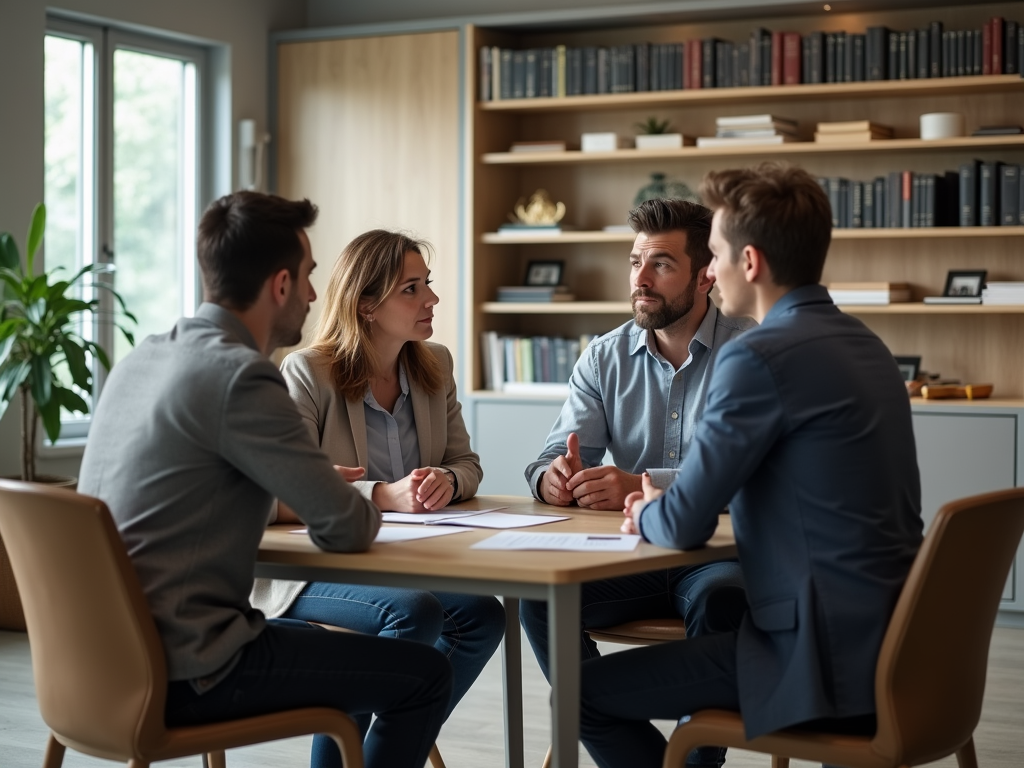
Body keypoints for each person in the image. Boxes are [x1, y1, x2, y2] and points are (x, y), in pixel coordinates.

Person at [78, 192, 452, 768]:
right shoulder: (242, 377)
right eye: (306, 277)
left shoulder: (142, 359)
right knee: (425, 675)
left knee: (374, 650)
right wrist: (328, 489)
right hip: (193, 668)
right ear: (279, 285)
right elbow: (347, 528)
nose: (311, 295)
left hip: (93, 670)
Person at [578, 163, 924, 768]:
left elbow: (683, 525)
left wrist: (649, 505)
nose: (709, 271)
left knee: (578, 697)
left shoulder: (758, 358)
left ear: (751, 263)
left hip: (813, 658)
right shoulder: (866, 344)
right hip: (899, 647)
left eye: (713, 255)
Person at [519, 200, 753, 766]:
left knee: (725, 599)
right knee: (542, 598)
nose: (640, 280)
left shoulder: (749, 353)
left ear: (706, 276)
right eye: (634, 262)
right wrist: (553, 478)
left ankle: (696, 758)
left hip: (714, 553)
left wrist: (642, 484)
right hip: (628, 555)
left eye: (661, 265)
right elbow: (554, 453)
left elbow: (753, 475)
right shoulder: (603, 356)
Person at [250, 229, 505, 736]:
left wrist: (447, 482)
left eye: (427, 284)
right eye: (411, 288)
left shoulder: (436, 365)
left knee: (482, 617)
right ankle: (385, 740)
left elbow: (467, 463)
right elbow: (275, 493)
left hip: (397, 558)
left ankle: (391, 739)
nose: (431, 298)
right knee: (413, 613)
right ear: (366, 304)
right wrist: (383, 496)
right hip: (312, 567)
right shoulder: (306, 373)